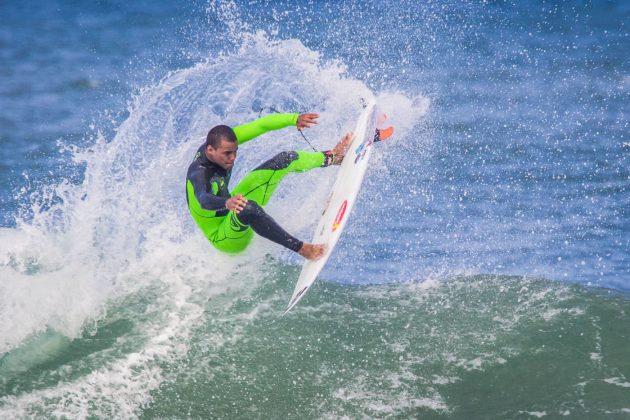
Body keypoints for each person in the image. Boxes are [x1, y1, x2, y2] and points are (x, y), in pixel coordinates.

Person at [185, 112, 352, 260]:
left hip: (230, 206)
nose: (232, 157)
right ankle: (303, 249)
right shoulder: (198, 172)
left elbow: (261, 125)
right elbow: (203, 200)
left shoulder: (224, 143)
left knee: (285, 159)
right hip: (223, 236)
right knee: (246, 208)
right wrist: (227, 203)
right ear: (210, 150)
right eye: (227, 154)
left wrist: (294, 119)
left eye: (235, 151)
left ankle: (333, 157)